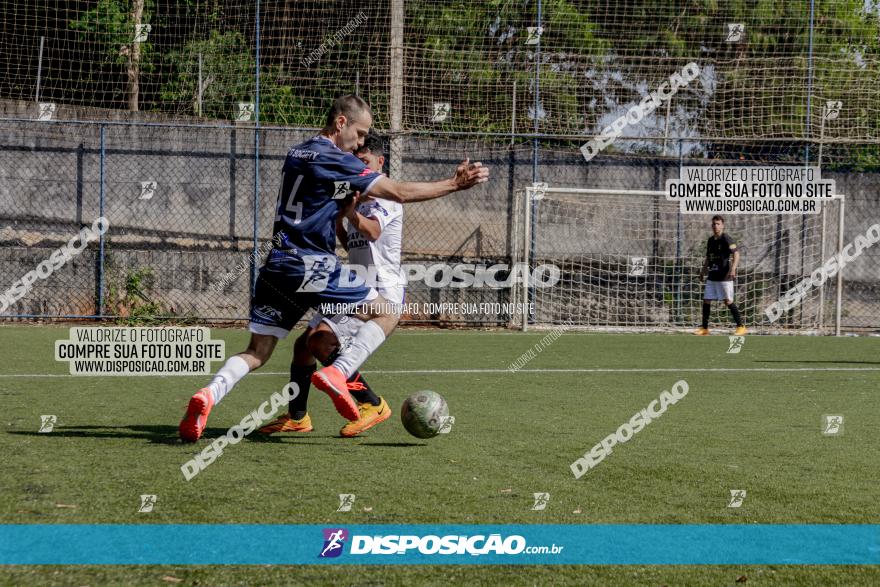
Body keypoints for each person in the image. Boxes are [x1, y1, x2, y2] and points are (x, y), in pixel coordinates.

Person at [179, 95, 489, 442]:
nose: (359, 144)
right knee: (386, 313)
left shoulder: (297, 153)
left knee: (258, 352)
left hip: (276, 265)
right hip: (311, 264)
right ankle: (341, 374)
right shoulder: (335, 157)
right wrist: (453, 184)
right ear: (340, 123)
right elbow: (398, 192)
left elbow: (326, 192)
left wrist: (346, 201)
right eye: (359, 133)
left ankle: (209, 394)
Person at [259, 130, 403, 437]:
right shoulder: (356, 196)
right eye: (356, 161)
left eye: (365, 162)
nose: (360, 168)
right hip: (354, 284)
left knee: (319, 342)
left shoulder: (384, 198)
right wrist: (339, 219)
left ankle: (372, 403)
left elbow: (373, 232)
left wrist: (349, 212)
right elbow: (353, 244)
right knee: (303, 346)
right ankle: (298, 417)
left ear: (381, 161)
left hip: (379, 291)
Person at [695, 215, 746, 336]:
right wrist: (703, 271)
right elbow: (708, 257)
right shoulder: (710, 240)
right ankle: (704, 328)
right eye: (713, 224)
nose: (715, 226)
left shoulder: (726, 238)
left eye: (718, 224)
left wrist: (733, 269)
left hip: (724, 276)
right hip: (712, 276)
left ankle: (741, 326)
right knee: (706, 300)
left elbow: (736, 254)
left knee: (727, 301)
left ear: (722, 225)